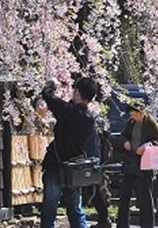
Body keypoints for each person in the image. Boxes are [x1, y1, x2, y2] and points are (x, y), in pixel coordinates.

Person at [41, 76, 102, 228]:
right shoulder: (89, 118)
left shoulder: (68, 111)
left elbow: (48, 96)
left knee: (49, 209)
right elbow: (67, 108)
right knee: (75, 209)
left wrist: (52, 83)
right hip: (75, 167)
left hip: (56, 164)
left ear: (77, 92)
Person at [118, 99, 158, 228]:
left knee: (145, 196)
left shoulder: (150, 123)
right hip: (131, 160)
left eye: (134, 114)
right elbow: (123, 135)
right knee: (124, 195)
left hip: (145, 163)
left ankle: (147, 225)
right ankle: (122, 224)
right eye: (131, 115)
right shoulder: (131, 122)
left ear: (141, 113)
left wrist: (147, 145)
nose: (132, 117)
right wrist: (125, 142)